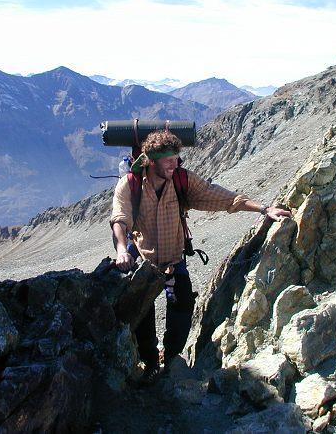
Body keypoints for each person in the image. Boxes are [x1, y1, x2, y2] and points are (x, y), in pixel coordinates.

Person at [109, 130, 291, 381]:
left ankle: (170, 360)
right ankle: (150, 363)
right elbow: (120, 219)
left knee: (182, 308)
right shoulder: (130, 184)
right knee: (142, 316)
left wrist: (264, 209)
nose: (174, 165)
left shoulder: (182, 180)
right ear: (150, 161)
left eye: (176, 159)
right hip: (143, 260)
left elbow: (220, 197)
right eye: (168, 160)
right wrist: (121, 250)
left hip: (174, 259)